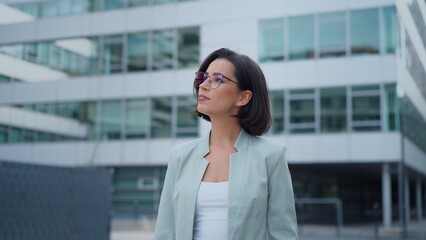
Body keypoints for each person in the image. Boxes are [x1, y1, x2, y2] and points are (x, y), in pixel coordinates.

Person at [154, 48, 298, 240]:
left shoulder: (271, 156)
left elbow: (283, 235)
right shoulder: (179, 156)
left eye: (217, 79)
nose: (203, 85)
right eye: (203, 78)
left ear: (243, 97)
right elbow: (165, 232)